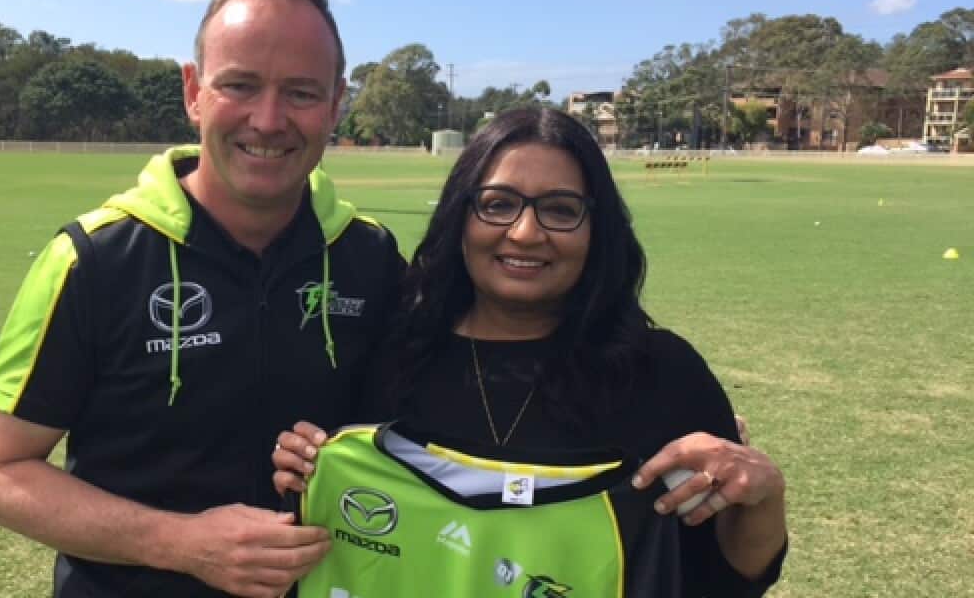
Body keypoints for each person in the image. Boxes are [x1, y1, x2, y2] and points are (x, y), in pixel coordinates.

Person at [0, 0, 404, 598]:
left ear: (336, 103)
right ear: (194, 91)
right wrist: (181, 544)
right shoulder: (93, 260)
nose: (269, 120)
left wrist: (340, 453)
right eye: (240, 85)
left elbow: (413, 439)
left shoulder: (371, 257)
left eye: (301, 93)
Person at [273, 108, 787, 596]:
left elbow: (726, 581)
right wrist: (306, 469)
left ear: (596, 228)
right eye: (497, 204)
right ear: (461, 216)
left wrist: (762, 496)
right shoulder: (391, 356)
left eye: (560, 210)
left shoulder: (664, 373)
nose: (525, 233)